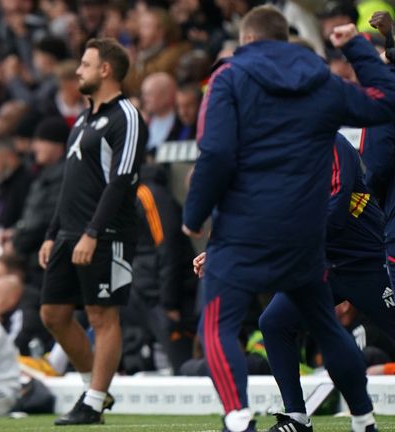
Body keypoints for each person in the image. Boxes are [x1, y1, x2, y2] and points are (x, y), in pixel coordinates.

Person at [182, 6, 395, 432]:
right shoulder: (322, 89)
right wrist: (357, 48)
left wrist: (202, 220)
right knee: (282, 322)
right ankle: (332, 417)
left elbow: (219, 156)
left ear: (246, 41)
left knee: (218, 320)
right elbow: (384, 99)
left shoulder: (231, 82)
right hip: (311, 247)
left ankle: (238, 417)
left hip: (356, 256)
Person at [194, 134, 395, 432]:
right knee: (275, 322)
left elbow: (332, 216)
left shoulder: (333, 146)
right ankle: (297, 417)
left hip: (368, 263)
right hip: (321, 268)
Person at [38, 37, 147, 425]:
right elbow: (71, 182)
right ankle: (94, 389)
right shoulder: (83, 119)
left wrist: (93, 232)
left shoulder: (127, 117)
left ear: (105, 70)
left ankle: (94, 400)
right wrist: (52, 232)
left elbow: (121, 182)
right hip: (68, 233)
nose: (78, 71)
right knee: (52, 314)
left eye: (85, 64)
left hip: (107, 233)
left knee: (103, 317)